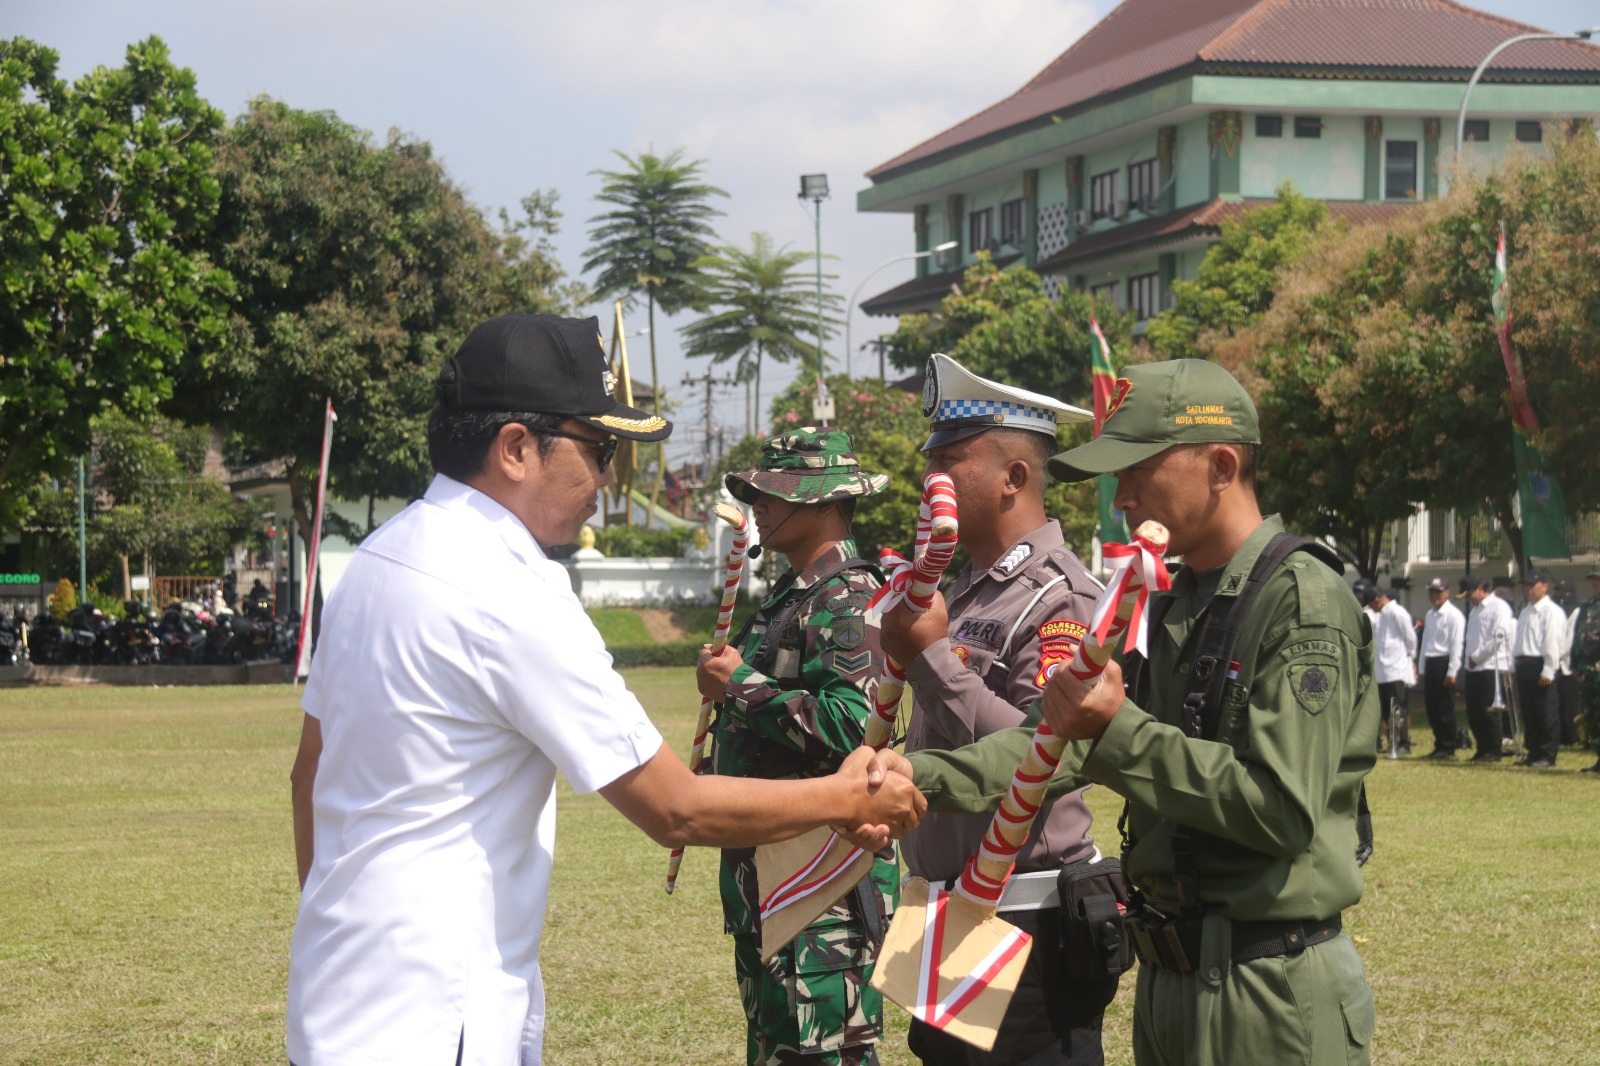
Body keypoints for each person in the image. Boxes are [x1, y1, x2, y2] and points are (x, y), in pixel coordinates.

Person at [285, 313, 924, 1066]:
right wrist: (850, 798)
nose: (607, 477)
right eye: (599, 448)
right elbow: (675, 806)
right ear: (517, 448)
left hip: (337, 996)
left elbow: (308, 774)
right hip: (437, 1018)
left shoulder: (378, 559)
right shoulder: (509, 589)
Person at [877, 358, 1378, 1066]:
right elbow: (1055, 744)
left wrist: (1118, 726)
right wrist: (913, 776)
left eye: (1140, 470)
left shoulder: (1301, 599)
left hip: (1267, 982)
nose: (1121, 497)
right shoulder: (1176, 603)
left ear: (1222, 464)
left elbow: (1284, 809)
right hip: (1171, 974)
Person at [877, 353, 1116, 1066]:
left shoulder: (1060, 598)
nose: (931, 481)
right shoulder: (966, 589)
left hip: (1023, 919)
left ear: (1014, 477)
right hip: (944, 908)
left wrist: (933, 659)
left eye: (952, 460)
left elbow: (1044, 752)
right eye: (931, 461)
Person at [696, 426, 895, 1066]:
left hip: (823, 888)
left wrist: (741, 687)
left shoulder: (850, 596)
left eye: (776, 492)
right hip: (772, 876)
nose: (759, 504)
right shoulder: (795, 597)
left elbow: (854, 729)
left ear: (826, 503)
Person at [1511, 569, 1566, 769]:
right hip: (1524, 664)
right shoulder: (1525, 611)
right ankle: (1533, 751)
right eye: (1526, 585)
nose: (1529, 589)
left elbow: (1552, 642)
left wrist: (1548, 670)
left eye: (1532, 585)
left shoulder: (1550, 612)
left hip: (1540, 665)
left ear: (1544, 586)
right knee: (1530, 713)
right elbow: (1519, 641)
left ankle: (1546, 755)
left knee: (1546, 713)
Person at [1459, 575, 1515, 762]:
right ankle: (1482, 747)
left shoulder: (1498, 607)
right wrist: (1469, 661)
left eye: (1469, 595)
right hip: (1473, 668)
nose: (1468, 599)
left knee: (1488, 711)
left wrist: (1477, 656)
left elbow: (1499, 636)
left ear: (1480, 588)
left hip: (1490, 665)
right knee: (1474, 711)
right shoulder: (1474, 611)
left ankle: (1493, 748)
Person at [1417, 576, 1465, 759]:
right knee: (1432, 708)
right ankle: (1439, 744)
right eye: (1432, 591)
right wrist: (1422, 668)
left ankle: (1448, 746)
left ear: (1447, 592)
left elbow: (1456, 645)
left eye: (1438, 591)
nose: (1434, 595)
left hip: (1444, 661)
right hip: (1431, 661)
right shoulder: (1430, 614)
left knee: (1445, 707)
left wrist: (1452, 671)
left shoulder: (1454, 616)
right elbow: (1425, 643)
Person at [1371, 585, 1416, 755]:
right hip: (1383, 670)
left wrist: (1410, 657)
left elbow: (1410, 638)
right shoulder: (1382, 614)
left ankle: (1402, 743)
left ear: (1378, 599)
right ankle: (1392, 741)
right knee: (1387, 710)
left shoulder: (1397, 612)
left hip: (1396, 668)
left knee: (1398, 707)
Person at [1572, 569, 1600, 774]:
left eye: (1598, 580)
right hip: (1586, 671)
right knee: (1591, 716)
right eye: (1593, 581)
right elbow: (1577, 635)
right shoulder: (1587, 606)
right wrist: (1574, 663)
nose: (1595, 584)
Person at [1553, 578, 1582, 748]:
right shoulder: (1555, 611)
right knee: (1557, 703)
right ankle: (1560, 736)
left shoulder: (1576, 611)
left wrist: (1562, 653)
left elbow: (1571, 636)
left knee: (1571, 704)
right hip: (1555, 665)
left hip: (1568, 664)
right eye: (1558, 591)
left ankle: (1572, 737)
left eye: (1565, 592)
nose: (1561, 595)